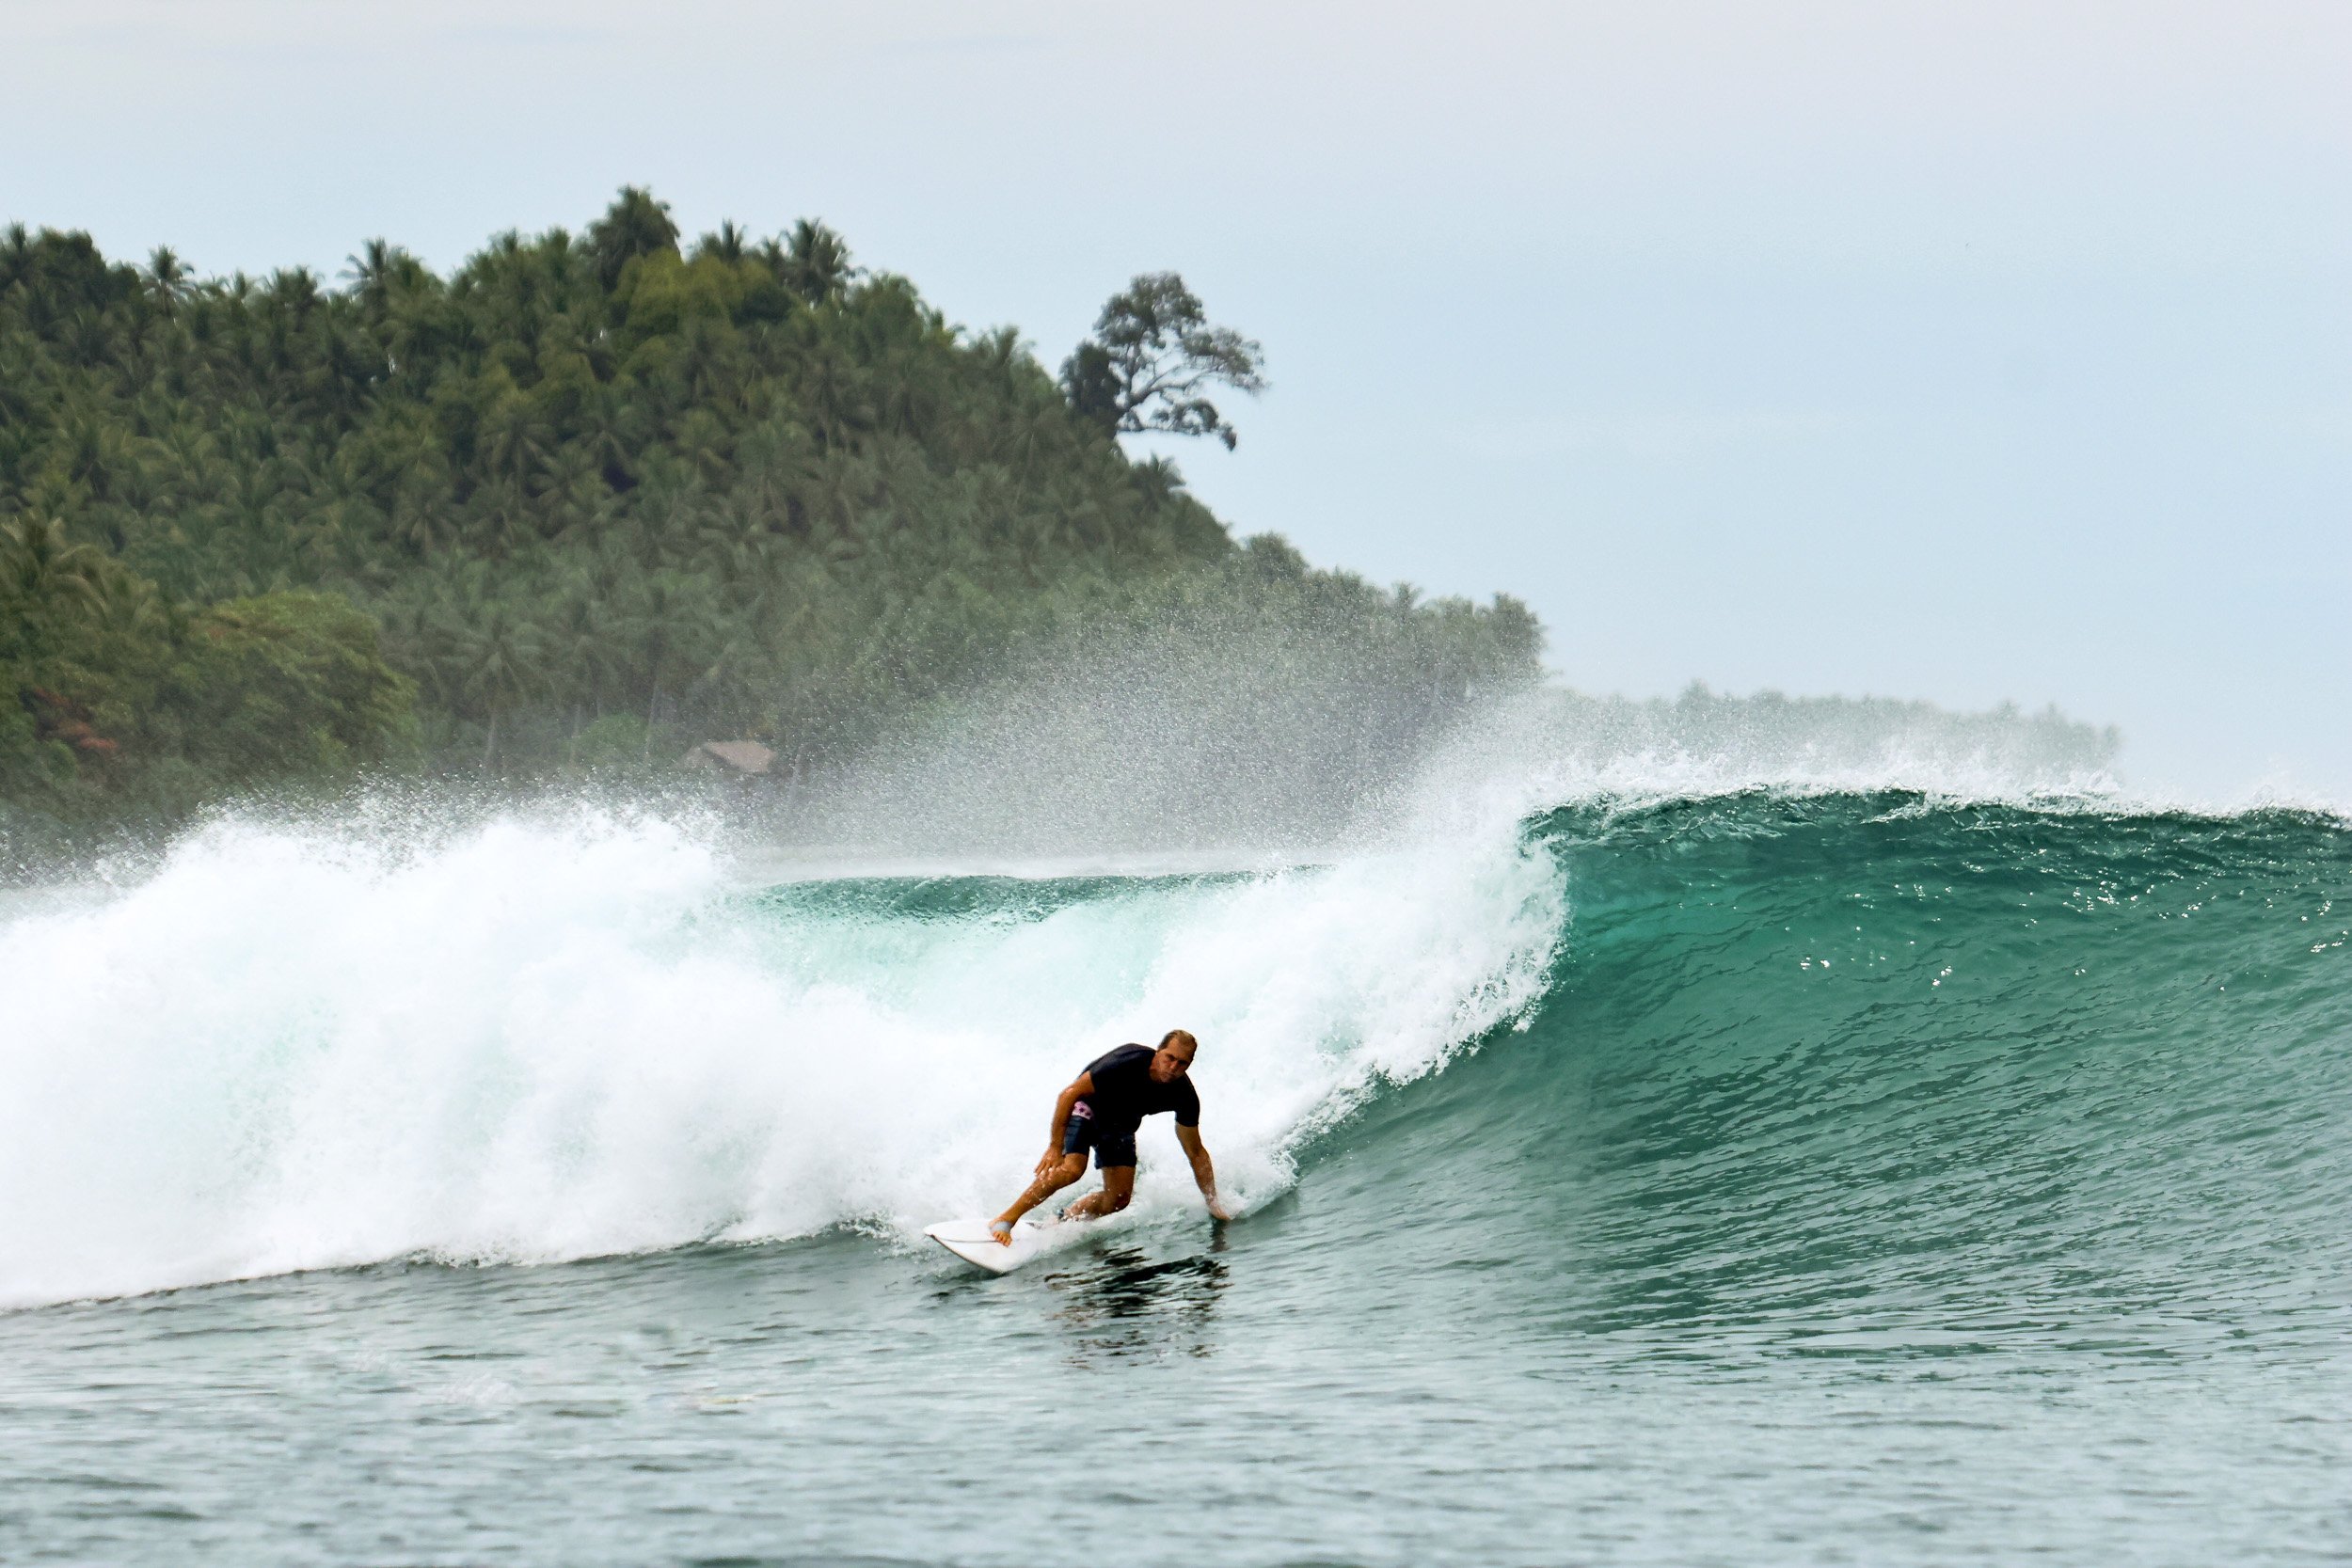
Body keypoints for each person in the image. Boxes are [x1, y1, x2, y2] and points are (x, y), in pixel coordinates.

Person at [990, 1029, 1231, 1243]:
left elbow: (1195, 1151)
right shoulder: (1127, 1062)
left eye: (1182, 1063)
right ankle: (1005, 1219)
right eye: (1170, 1057)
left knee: (1118, 1200)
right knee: (1072, 1170)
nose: (1173, 1067)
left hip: (1120, 1127)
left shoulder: (1184, 1096)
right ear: (1158, 1051)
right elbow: (1069, 1094)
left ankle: (1062, 1219)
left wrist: (1212, 1201)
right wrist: (1055, 1146)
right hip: (1087, 1110)